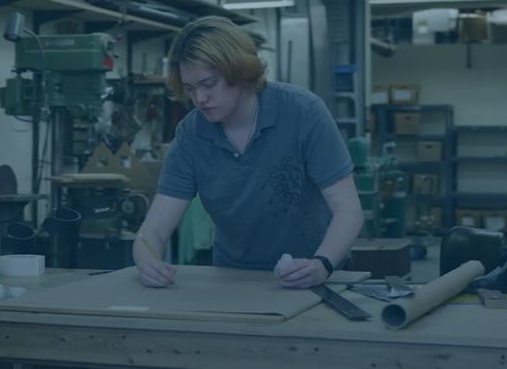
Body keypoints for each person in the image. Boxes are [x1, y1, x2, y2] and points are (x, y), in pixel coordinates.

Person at [132, 16, 362, 289]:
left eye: (208, 84)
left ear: (238, 72)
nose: (199, 99)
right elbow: (153, 231)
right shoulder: (191, 135)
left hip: (317, 274)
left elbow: (348, 209)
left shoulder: (304, 112)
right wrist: (147, 262)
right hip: (233, 279)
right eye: (191, 88)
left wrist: (322, 264)